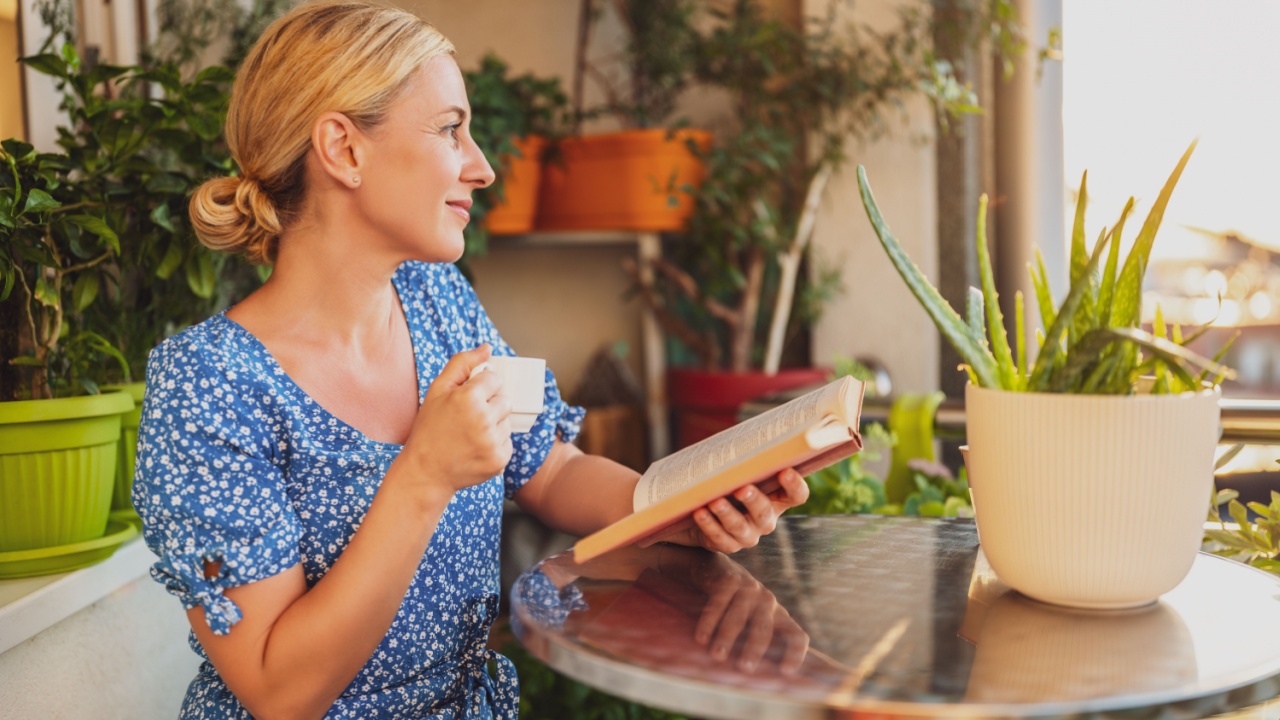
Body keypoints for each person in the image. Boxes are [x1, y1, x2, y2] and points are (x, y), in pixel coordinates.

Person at [132, 1, 809, 718]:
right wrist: (423, 477)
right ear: (343, 148)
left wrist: (680, 508)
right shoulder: (209, 385)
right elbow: (278, 690)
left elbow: (552, 470)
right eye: (451, 129)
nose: (481, 168)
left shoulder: (437, 302)